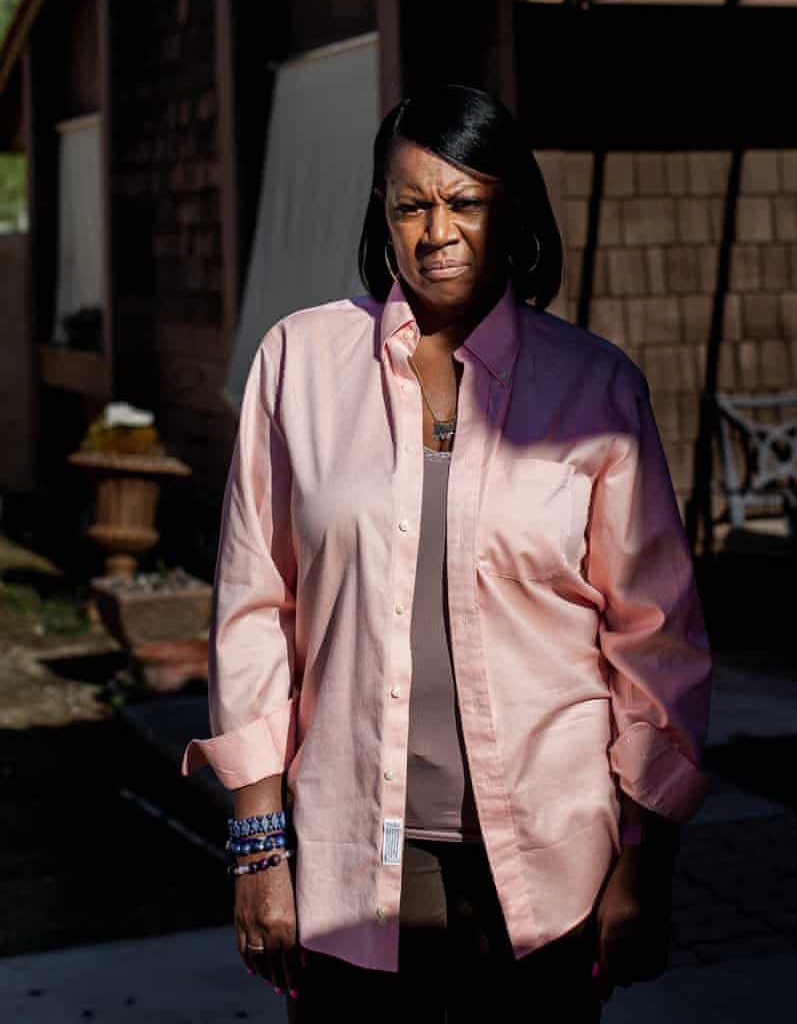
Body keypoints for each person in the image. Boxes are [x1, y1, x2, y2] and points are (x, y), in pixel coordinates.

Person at [182, 84, 712, 1021]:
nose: (437, 232)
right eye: (411, 204)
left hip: (553, 862)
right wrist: (259, 854)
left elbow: (654, 641)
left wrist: (644, 862)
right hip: (353, 857)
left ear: (511, 209)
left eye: (464, 201)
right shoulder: (297, 364)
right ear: (381, 215)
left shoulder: (596, 389)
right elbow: (253, 611)